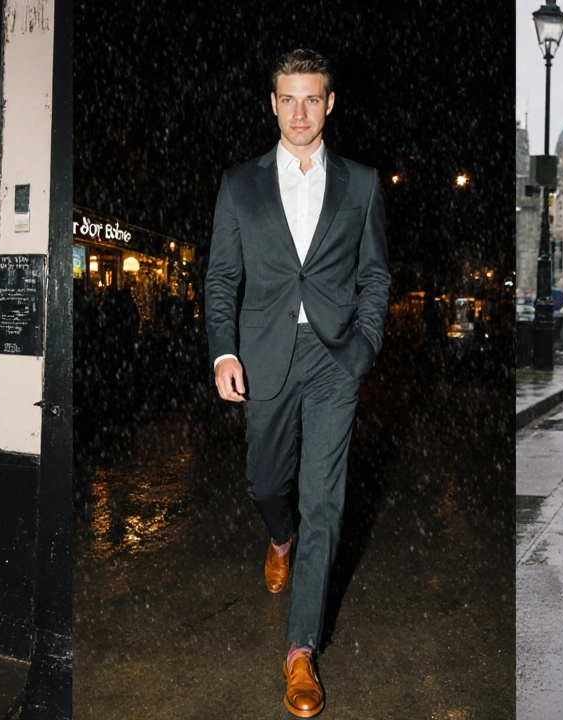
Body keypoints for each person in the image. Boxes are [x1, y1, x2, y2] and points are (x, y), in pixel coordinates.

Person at [205, 48, 390, 716]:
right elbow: (222, 277)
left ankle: (300, 653)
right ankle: (276, 536)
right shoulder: (240, 184)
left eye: (313, 98)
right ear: (273, 103)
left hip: (337, 358)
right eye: (289, 98)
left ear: (330, 103)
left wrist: (366, 341)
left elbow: (376, 273)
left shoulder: (363, 183)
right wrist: (223, 352)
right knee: (265, 479)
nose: (301, 111)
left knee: (326, 502)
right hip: (264, 355)